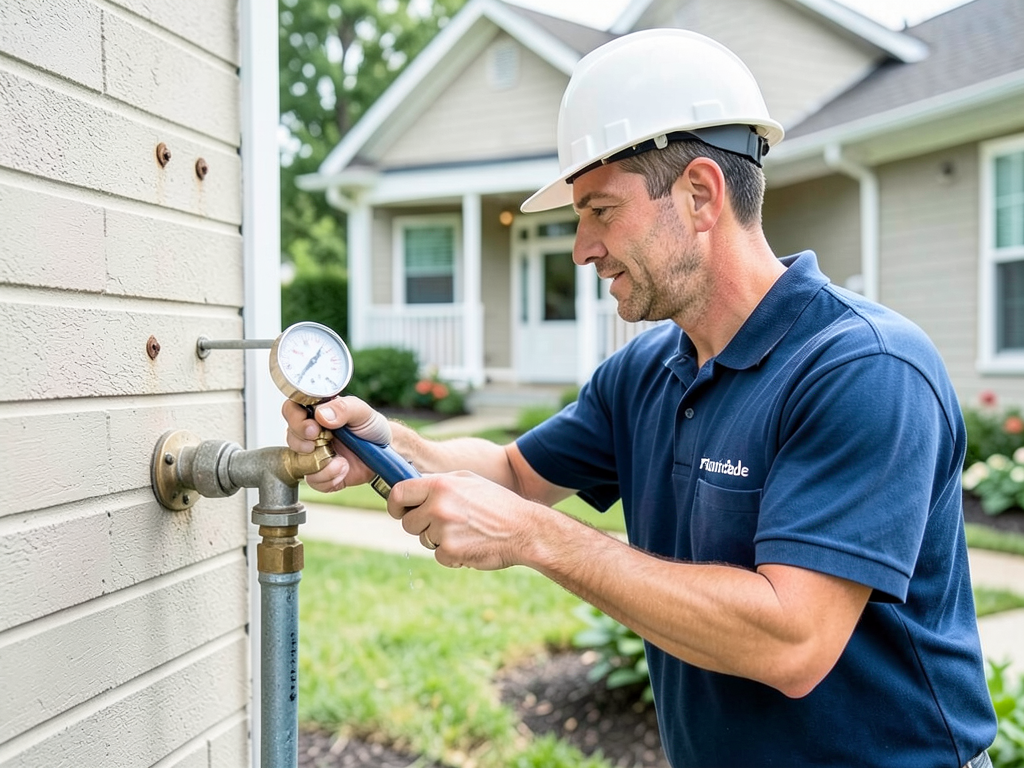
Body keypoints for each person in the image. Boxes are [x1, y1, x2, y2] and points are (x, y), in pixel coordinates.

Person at [285, 29, 996, 768]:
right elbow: (513, 473)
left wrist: (539, 538)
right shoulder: (647, 371)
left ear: (698, 195)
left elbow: (795, 641)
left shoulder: (864, 368)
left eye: (599, 211)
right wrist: (384, 443)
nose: (580, 249)